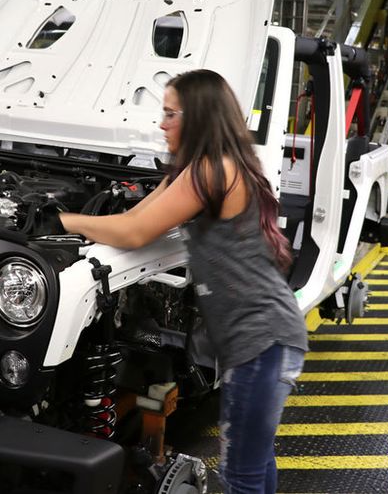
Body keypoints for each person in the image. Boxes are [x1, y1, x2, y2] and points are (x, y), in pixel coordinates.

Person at [59, 69, 308, 494]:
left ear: (199, 118)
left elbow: (135, 233)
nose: (162, 124)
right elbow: (133, 218)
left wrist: (64, 221)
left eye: (171, 114)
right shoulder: (199, 170)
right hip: (264, 339)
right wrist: (84, 225)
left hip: (261, 341)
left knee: (242, 475)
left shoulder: (213, 171)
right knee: (256, 462)